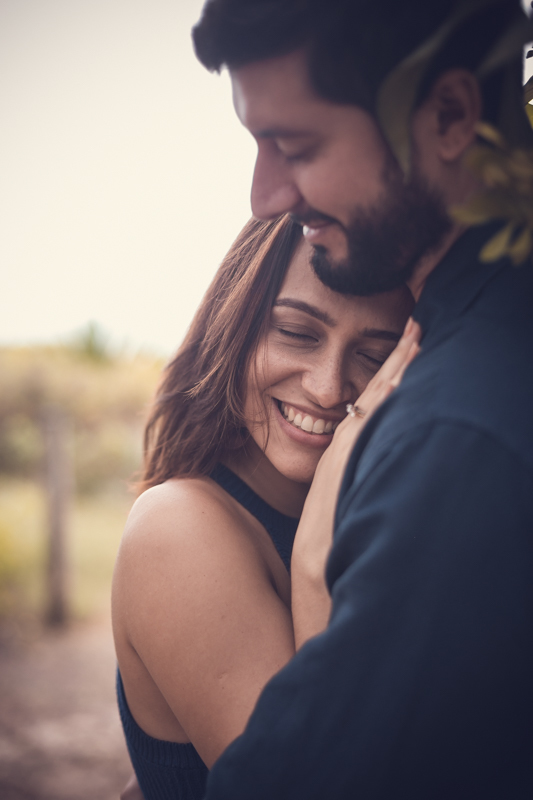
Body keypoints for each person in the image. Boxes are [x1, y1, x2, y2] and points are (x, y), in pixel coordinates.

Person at [192, 0, 533, 797]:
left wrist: (315, 571)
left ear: (448, 115)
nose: (265, 196)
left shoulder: (455, 432)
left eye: (296, 147)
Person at [112, 214, 416, 799]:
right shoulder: (177, 527)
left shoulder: (380, 522)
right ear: (238, 326)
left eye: (375, 357)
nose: (327, 387)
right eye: (297, 333)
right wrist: (313, 564)